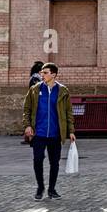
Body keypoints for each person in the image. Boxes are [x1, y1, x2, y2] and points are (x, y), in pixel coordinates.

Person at [22, 62, 76, 201]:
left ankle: (52, 189)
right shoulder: (34, 89)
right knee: (38, 160)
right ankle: (40, 188)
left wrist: (71, 131)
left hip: (55, 133)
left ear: (53, 74)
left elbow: (68, 112)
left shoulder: (63, 91)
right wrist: (27, 126)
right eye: (41, 72)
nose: (42, 75)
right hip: (38, 133)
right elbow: (26, 110)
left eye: (45, 72)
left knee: (55, 162)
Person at [22, 62, 45, 144]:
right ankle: (30, 138)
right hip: (34, 102)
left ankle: (29, 138)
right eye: (42, 71)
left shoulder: (35, 78)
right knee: (32, 120)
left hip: (34, 102)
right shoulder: (36, 79)